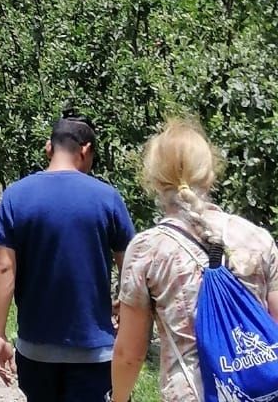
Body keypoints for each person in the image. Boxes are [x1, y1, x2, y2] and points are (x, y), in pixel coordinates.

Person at [112, 117, 278, 401]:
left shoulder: (148, 249)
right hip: (260, 391)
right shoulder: (257, 238)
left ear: (153, 180)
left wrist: (118, 398)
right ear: (211, 174)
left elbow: (130, 353)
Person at [0, 108, 135, 401]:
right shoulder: (107, 198)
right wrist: (122, 303)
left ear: (48, 147)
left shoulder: (16, 196)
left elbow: (5, 268)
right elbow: (132, 266)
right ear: (86, 150)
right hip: (94, 353)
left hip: (35, 352)